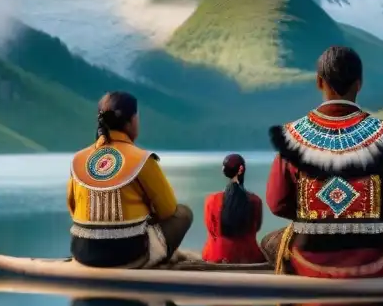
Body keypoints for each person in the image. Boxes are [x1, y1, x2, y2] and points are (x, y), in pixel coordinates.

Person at [259, 46, 383, 278]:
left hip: (308, 259)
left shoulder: (292, 137)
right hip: (373, 257)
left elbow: (277, 204)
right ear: (359, 83)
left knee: (268, 241)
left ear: (319, 82)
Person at [67, 91, 192, 268]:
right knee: (183, 214)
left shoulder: (79, 159)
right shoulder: (142, 160)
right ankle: (157, 256)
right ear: (131, 121)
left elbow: (73, 209)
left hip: (83, 253)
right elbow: (168, 211)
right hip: (128, 256)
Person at [201, 154, 267, 264]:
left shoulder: (211, 200)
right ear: (241, 170)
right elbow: (256, 227)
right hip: (249, 256)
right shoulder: (256, 201)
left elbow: (211, 229)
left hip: (215, 254)